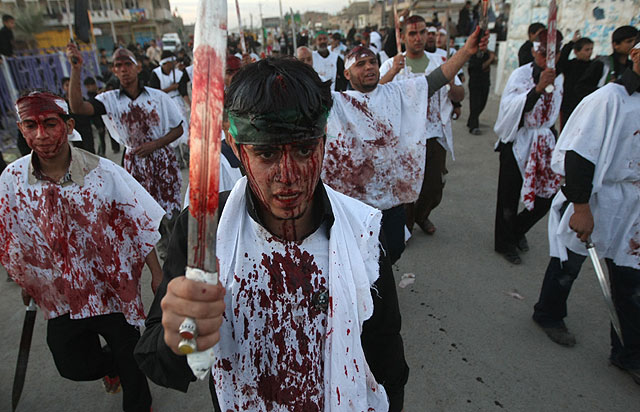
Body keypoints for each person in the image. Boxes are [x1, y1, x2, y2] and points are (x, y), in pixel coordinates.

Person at [135, 57, 408, 412]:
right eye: (265, 153)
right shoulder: (205, 229)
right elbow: (162, 362)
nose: (288, 175)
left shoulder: (362, 231)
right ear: (235, 146)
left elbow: (385, 349)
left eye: (303, 149)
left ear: (323, 139)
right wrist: (180, 336)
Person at [0, 90, 165, 411]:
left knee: (131, 361)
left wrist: (156, 273)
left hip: (111, 288)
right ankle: (109, 365)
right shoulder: (11, 180)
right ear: (21, 129)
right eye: (30, 126)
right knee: (72, 365)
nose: (41, 135)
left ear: (69, 124)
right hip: (60, 292)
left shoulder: (104, 173)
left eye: (50, 123)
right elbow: (11, 232)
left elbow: (138, 223)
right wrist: (25, 279)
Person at [323, 27, 487, 263]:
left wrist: (467, 51)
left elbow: (436, 79)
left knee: (394, 250)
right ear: (347, 74)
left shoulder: (397, 92)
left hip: (391, 200)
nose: (369, 67)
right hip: (355, 205)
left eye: (372, 62)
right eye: (361, 64)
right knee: (361, 259)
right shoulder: (337, 103)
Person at [532, 38, 640, 386]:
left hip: (634, 202)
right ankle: (548, 314)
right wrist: (581, 208)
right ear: (634, 55)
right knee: (568, 264)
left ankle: (627, 352)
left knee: (630, 278)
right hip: (598, 196)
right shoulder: (607, 100)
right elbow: (579, 154)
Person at [66, 45, 184, 259]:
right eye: (118, 66)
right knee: (145, 210)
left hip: (162, 160)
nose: (123, 69)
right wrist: (76, 70)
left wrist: (155, 145)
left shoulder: (158, 97)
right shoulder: (109, 100)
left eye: (127, 64)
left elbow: (178, 128)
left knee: (171, 210)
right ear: (113, 70)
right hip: (135, 162)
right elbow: (77, 107)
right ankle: (165, 253)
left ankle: (179, 250)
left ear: (137, 67)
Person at [379, 17, 465, 236]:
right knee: (406, 186)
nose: (418, 38)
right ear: (403, 37)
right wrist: (392, 73)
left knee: (434, 186)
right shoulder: (391, 64)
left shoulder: (442, 60)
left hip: (434, 133)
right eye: (412, 34)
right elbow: (374, 95)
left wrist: (451, 83)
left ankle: (422, 215)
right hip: (404, 137)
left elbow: (459, 94)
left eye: (422, 32)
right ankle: (406, 226)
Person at [494, 29, 564, 264]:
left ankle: (516, 230)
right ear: (534, 50)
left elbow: (561, 110)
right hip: (517, 140)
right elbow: (510, 109)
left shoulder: (561, 77)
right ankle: (505, 242)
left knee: (548, 193)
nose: (547, 58)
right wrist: (537, 89)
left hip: (545, 141)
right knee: (508, 197)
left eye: (552, 53)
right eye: (542, 52)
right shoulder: (521, 75)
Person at [575, 25, 638, 100]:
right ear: (616, 45)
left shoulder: (632, 65)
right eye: (629, 41)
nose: (633, 44)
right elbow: (580, 88)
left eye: (636, 41)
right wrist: (607, 88)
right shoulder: (603, 63)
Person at [557, 32, 593, 128]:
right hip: (569, 104)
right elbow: (561, 59)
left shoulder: (594, 66)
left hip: (586, 104)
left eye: (591, 49)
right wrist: (571, 43)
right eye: (586, 50)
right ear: (576, 52)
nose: (590, 52)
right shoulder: (570, 65)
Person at [84, 76, 120, 156]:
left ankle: (115, 147)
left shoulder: (101, 91)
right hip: (99, 120)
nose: (90, 87)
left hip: (108, 116)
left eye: (92, 85)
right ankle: (102, 153)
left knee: (112, 132)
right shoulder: (90, 96)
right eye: (88, 86)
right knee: (101, 136)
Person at [61, 77, 95, 154]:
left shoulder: (81, 99)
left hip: (86, 129)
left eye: (71, 84)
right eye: (67, 85)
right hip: (74, 131)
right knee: (79, 153)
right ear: (63, 87)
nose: (69, 87)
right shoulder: (63, 103)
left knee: (90, 151)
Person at [467, 48, 495, 135]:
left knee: (482, 104)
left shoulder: (487, 53)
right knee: (475, 105)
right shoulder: (474, 53)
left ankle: (471, 120)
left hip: (485, 82)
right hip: (475, 83)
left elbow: (494, 62)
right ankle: (474, 126)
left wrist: (492, 57)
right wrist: (490, 59)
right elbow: (480, 67)